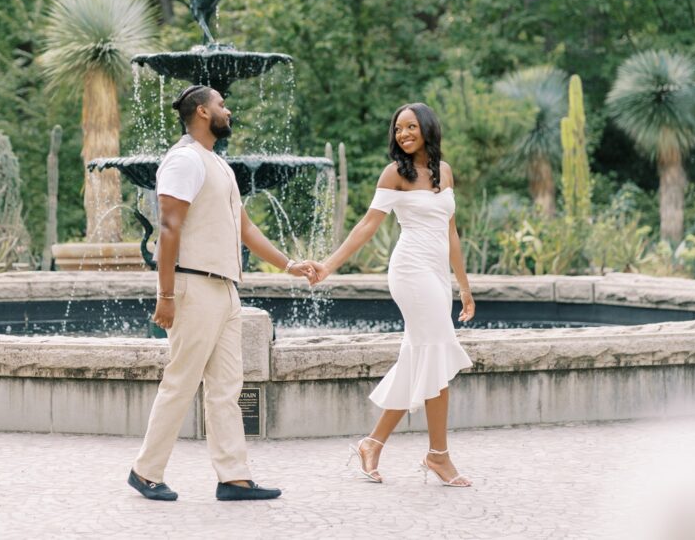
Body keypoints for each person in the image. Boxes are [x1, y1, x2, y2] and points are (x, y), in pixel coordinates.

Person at [128, 84, 316, 502]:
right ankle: (145, 471)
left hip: (226, 291)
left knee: (227, 388)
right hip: (193, 286)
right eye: (221, 105)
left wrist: (288, 264)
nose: (227, 111)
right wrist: (166, 294)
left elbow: (244, 228)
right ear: (200, 112)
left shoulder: (218, 164)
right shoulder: (184, 160)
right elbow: (169, 227)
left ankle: (233, 476)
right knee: (180, 382)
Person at [311, 102, 476, 487]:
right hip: (410, 271)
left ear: (427, 129)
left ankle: (372, 444)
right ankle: (439, 456)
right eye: (398, 128)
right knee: (435, 350)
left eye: (411, 127)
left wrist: (464, 286)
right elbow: (367, 226)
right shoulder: (394, 174)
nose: (403, 134)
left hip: (436, 275)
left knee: (418, 358)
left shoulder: (444, 171)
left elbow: (451, 232)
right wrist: (328, 265)